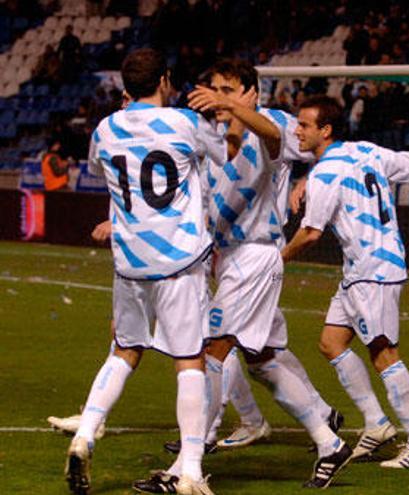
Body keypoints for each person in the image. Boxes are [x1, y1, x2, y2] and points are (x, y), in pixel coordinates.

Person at [136, 58, 350, 492]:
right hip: (231, 258)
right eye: (213, 88)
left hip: (255, 256)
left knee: (210, 353)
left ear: (251, 92)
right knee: (262, 360)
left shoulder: (267, 121)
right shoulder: (213, 134)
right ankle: (331, 443)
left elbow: (276, 137)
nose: (217, 96)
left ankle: (185, 466)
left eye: (228, 89)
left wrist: (236, 111)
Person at [65, 47, 227, 495]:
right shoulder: (185, 123)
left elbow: (102, 169)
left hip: (130, 261)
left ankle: (86, 433)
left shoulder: (105, 129)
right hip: (179, 261)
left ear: (124, 87)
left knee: (124, 349)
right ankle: (191, 469)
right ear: (165, 80)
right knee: (190, 359)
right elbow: (223, 153)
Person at [280, 95, 409, 470]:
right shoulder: (365, 151)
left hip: (373, 270)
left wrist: (275, 260)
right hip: (363, 269)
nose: (296, 131)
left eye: (303, 125)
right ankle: (377, 423)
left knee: (384, 355)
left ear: (325, 130)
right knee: (331, 343)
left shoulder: (325, 173)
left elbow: (311, 232)